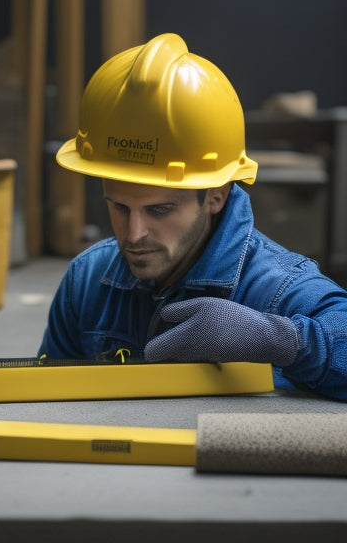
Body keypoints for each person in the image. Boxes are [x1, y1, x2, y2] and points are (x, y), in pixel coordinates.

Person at [39, 33, 347, 401]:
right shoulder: (87, 280)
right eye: (119, 206)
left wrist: (281, 341)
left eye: (159, 210)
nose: (133, 234)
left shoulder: (275, 286)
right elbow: (43, 400)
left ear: (215, 196)